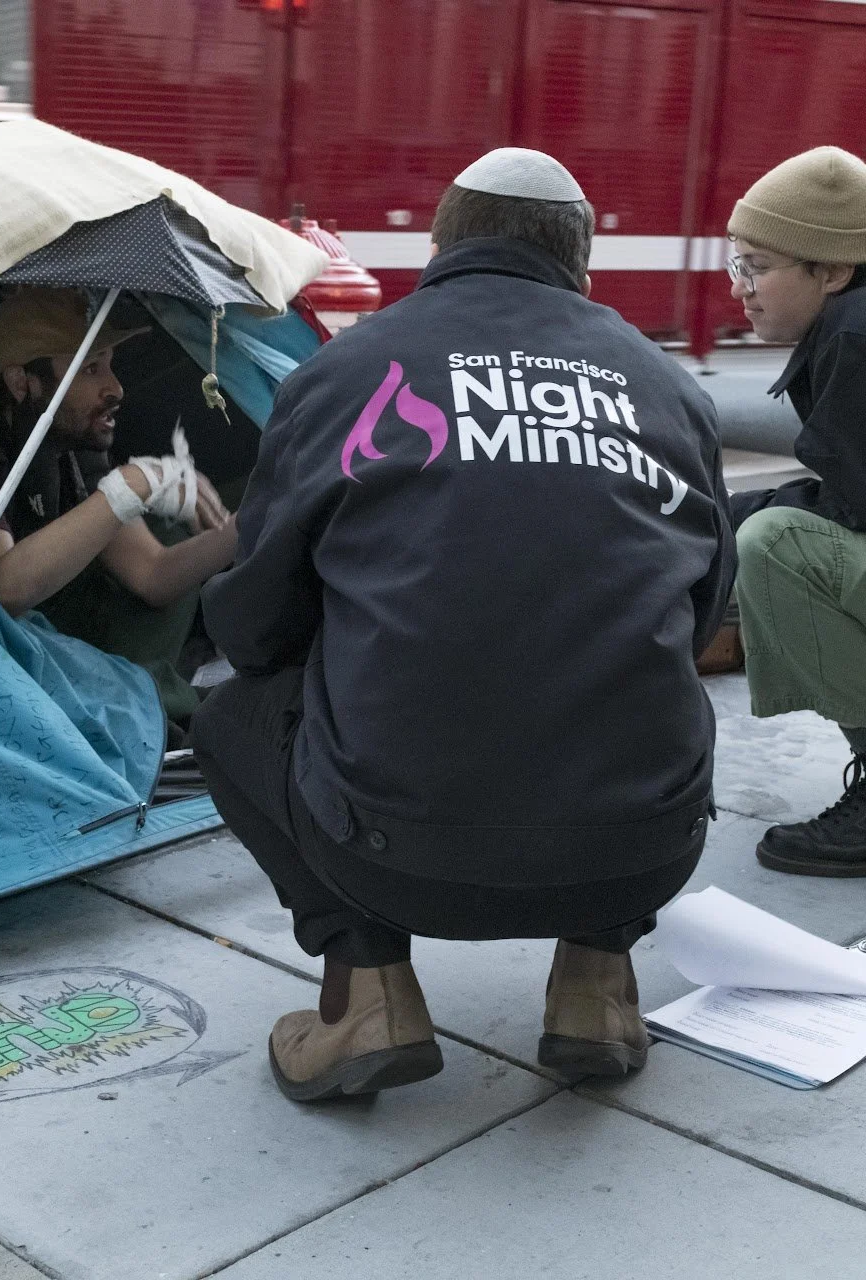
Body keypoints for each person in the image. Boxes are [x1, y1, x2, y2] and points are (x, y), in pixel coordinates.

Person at [192, 147, 735, 1101]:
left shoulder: (345, 373)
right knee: (635, 680)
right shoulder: (667, 386)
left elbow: (255, 628)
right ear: (585, 266)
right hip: (638, 848)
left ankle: (367, 996)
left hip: (393, 854)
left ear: (438, 248)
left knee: (231, 719)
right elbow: (697, 623)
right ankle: (596, 990)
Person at [0, 288, 238, 738]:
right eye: (90, 368)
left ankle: (160, 702)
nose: (115, 388)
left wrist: (251, 524)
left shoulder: (73, 455)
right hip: (4, 678)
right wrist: (134, 484)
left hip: (67, 660)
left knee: (170, 530)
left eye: (111, 365)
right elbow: (6, 587)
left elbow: (152, 573)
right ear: (23, 383)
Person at [724, 147, 866, 877]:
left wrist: (719, 516)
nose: (742, 290)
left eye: (758, 267)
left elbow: (850, 516)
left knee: (775, 545)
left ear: (832, 271)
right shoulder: (850, 326)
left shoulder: (854, 338)